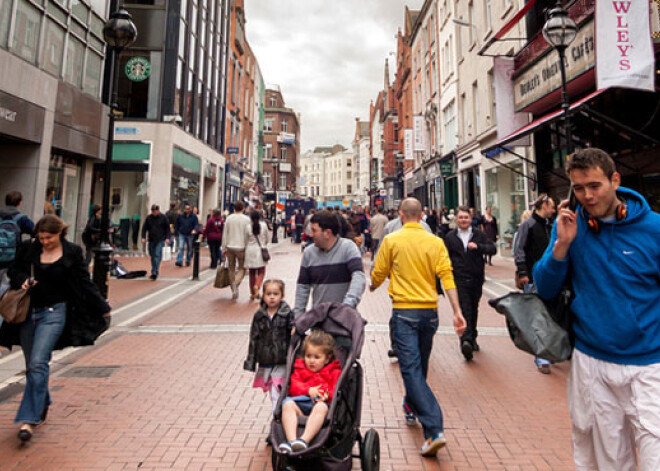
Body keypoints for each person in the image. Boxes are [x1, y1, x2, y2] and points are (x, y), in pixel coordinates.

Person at [534, 148, 660, 470]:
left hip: (649, 365)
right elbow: (545, 287)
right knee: (608, 463)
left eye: (594, 185)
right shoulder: (569, 227)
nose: (587, 196)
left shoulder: (654, 229)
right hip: (592, 363)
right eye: (578, 188)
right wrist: (561, 244)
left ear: (615, 180)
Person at [0, 215, 111, 442]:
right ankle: (42, 399)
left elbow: (83, 282)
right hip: (28, 314)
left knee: (39, 362)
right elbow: (13, 270)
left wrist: (102, 306)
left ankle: (29, 419)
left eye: (48, 238)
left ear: (59, 233)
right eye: (40, 238)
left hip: (54, 314)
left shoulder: (71, 252)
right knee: (33, 366)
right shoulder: (29, 248)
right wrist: (22, 279)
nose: (44, 242)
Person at [370, 197, 466, 457]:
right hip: (429, 313)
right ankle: (411, 405)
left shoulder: (392, 241)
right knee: (420, 365)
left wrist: (373, 284)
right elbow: (447, 275)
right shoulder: (435, 242)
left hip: (404, 311)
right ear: (422, 215)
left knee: (411, 369)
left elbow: (379, 270)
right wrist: (457, 311)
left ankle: (434, 429)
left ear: (401, 214)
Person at [444, 206, 496, 361]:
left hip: (476, 277)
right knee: (464, 307)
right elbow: (445, 255)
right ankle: (465, 341)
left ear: (471, 219)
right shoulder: (450, 236)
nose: (463, 220)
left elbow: (492, 248)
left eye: (466, 217)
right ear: (456, 219)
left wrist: (478, 247)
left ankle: (472, 336)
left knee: (473, 307)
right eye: (460, 217)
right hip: (459, 278)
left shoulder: (478, 235)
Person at [279, 329, 342, 453]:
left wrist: (325, 395)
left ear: (327, 359)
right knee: (287, 404)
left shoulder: (334, 372)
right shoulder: (300, 368)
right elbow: (293, 387)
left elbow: (334, 390)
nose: (311, 361)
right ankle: (292, 441)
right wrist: (307, 390)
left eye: (317, 357)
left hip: (320, 409)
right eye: (308, 356)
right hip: (300, 407)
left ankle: (304, 440)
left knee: (321, 407)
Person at [514, 193, 556, 374]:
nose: (553, 210)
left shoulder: (549, 226)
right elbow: (519, 249)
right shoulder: (528, 225)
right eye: (551, 206)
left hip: (549, 277)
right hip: (533, 277)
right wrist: (523, 272)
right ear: (543, 206)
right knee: (538, 317)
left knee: (550, 316)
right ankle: (542, 357)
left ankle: (549, 351)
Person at [294, 211, 366, 318]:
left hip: (344, 321)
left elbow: (358, 277)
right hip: (319, 321)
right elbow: (302, 287)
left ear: (327, 233)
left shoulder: (348, 248)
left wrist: (348, 305)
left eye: (314, 230)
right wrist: (298, 319)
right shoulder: (309, 253)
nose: (310, 234)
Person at [244, 279, 293, 413]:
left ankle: (277, 420)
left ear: (282, 295)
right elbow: (254, 338)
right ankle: (277, 418)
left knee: (278, 389)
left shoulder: (287, 314)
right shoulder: (259, 315)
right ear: (263, 295)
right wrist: (251, 361)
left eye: (276, 294)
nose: (272, 297)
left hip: (281, 360)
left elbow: (294, 335)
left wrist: (294, 329)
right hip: (266, 360)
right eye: (269, 294)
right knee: (273, 392)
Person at [222, 201, 251, 300]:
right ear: (243, 208)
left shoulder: (229, 218)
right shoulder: (247, 220)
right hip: (242, 247)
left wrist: (223, 247)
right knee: (242, 268)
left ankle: (233, 287)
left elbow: (225, 233)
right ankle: (235, 284)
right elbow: (248, 234)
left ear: (234, 208)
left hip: (230, 247)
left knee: (231, 267)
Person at [141, 204, 171, 280]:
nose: (153, 212)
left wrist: (167, 238)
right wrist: (143, 237)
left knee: (157, 254)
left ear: (158, 210)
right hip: (151, 239)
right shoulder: (149, 218)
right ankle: (155, 269)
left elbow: (167, 228)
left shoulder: (163, 218)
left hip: (160, 239)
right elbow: (144, 228)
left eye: (155, 211)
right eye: (152, 211)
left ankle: (154, 271)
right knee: (152, 255)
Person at [245, 210, 270, 301]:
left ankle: (253, 293)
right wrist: (264, 244)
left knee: (252, 272)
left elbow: (245, 239)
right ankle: (257, 286)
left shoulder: (248, 227)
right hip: (260, 250)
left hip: (250, 250)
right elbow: (267, 238)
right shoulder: (263, 225)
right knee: (261, 271)